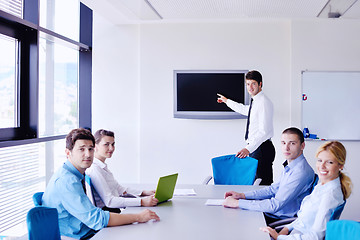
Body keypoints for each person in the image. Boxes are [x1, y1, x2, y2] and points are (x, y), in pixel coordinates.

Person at [42, 128, 159, 239]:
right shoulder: (67, 181)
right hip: (76, 235)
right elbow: (96, 219)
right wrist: (138, 217)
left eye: (90, 149)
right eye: (81, 149)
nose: (88, 154)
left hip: (85, 229)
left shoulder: (74, 174)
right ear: (68, 152)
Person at [260, 141, 352, 240]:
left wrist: (279, 237)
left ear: (340, 165)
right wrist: (286, 228)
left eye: (329, 162)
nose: (322, 166)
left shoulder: (330, 195)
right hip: (295, 233)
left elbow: (316, 237)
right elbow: (305, 218)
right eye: (320, 160)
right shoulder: (322, 185)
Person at [223, 127, 315, 224]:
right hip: (272, 214)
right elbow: (272, 189)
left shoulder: (300, 172)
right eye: (283, 143)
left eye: (292, 143)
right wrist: (242, 195)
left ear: (302, 146)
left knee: (232, 221)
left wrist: (237, 203)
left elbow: (274, 205)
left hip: (279, 220)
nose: (286, 148)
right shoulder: (292, 166)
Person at [217, 70, 275, 185]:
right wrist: (227, 101)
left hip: (261, 148)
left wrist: (248, 148)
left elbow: (264, 131)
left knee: (262, 184)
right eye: (248, 84)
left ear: (260, 84)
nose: (250, 87)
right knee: (256, 183)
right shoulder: (256, 101)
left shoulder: (263, 102)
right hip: (257, 148)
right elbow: (245, 110)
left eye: (253, 84)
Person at [86, 129, 158, 210]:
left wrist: (145, 192)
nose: (111, 148)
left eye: (113, 144)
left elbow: (120, 189)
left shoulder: (102, 167)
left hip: (114, 210)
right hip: (109, 212)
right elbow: (109, 201)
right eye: (106, 144)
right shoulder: (94, 169)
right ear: (95, 146)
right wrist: (141, 201)